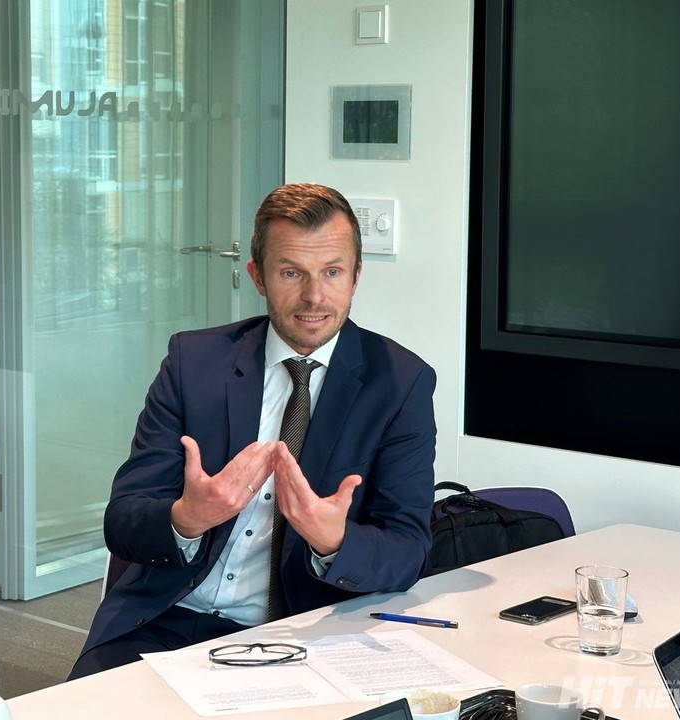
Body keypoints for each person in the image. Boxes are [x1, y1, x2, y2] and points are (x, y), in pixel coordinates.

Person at [67, 182, 436, 679]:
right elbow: (123, 520)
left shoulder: (401, 383)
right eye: (291, 273)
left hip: (295, 634)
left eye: (332, 272)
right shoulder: (193, 362)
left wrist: (333, 541)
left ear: (355, 276)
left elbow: (408, 551)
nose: (314, 296)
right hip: (163, 620)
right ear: (258, 276)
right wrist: (186, 519)